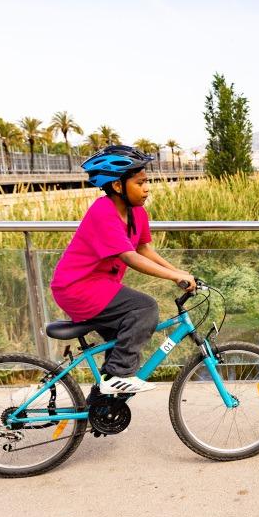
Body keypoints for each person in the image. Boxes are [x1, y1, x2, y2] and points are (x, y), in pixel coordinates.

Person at [50, 145, 196, 395]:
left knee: (122, 334)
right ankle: (117, 376)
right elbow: (129, 256)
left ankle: (104, 400)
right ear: (118, 186)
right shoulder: (102, 212)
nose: (147, 188)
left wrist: (179, 273)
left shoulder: (137, 212)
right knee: (145, 307)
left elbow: (144, 249)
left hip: (99, 286)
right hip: (77, 287)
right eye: (140, 183)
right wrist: (175, 276)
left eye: (147, 181)